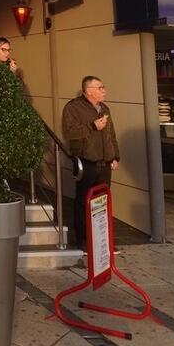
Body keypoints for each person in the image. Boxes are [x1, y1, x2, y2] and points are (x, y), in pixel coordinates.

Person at [61, 75, 120, 250]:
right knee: (83, 201)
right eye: (100, 88)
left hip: (104, 162)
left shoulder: (105, 108)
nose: (104, 90)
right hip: (86, 161)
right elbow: (69, 132)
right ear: (89, 91)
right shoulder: (73, 108)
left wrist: (115, 156)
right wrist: (92, 126)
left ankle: (102, 241)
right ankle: (83, 240)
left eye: (103, 87)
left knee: (102, 202)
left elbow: (111, 134)